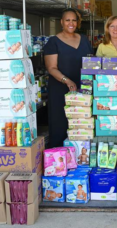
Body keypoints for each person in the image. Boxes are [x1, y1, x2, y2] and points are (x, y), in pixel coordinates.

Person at [44, 8, 93, 148]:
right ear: (61, 22)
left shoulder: (83, 39)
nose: (71, 23)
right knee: (61, 123)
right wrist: (67, 80)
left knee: (82, 123)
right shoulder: (53, 42)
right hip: (61, 89)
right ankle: (58, 157)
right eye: (67, 20)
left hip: (82, 89)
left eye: (74, 20)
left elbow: (90, 62)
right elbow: (51, 68)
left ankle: (80, 156)